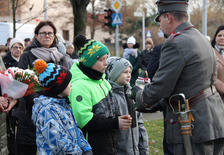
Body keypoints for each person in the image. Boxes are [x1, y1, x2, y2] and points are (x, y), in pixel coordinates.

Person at [133, 0, 224, 154]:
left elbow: (160, 86)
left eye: (160, 19)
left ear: (168, 17)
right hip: (213, 120)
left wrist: (139, 97)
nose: (160, 27)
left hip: (193, 124)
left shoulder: (175, 42)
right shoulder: (201, 38)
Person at [69, 35, 132, 155]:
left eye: (106, 58)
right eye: (101, 59)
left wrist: (120, 118)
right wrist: (115, 122)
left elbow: (111, 107)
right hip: (91, 147)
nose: (106, 63)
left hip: (108, 144)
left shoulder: (103, 81)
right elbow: (84, 120)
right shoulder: (79, 86)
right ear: (89, 61)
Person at [17, 20, 72, 155]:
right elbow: (22, 84)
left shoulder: (61, 57)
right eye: (43, 33)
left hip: (57, 113)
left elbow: (67, 84)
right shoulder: (27, 56)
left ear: (54, 36)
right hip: (31, 112)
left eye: (50, 33)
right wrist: (41, 103)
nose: (47, 36)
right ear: (36, 36)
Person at [32, 60, 92, 155]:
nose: (71, 85)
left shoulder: (63, 105)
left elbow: (75, 129)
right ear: (59, 87)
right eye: (68, 83)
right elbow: (58, 141)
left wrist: (86, 147)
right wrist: (79, 153)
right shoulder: (47, 110)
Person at [106, 56, 149, 155]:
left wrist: (144, 149)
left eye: (130, 72)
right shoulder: (109, 97)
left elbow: (139, 123)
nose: (129, 75)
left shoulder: (131, 95)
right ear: (113, 73)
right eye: (125, 72)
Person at [211, 25, 224, 103]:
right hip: (217, 97)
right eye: (219, 35)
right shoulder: (210, 53)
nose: (222, 38)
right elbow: (210, 75)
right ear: (215, 38)